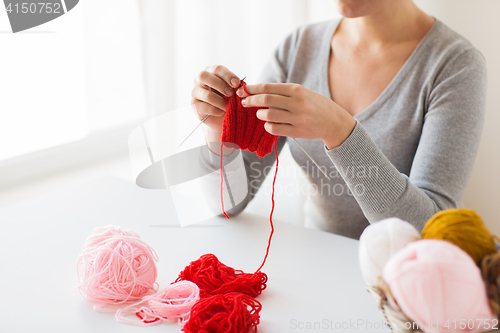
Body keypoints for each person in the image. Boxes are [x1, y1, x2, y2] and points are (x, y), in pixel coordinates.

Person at [190, 0, 487, 239]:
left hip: (402, 292)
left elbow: (428, 231)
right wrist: (218, 131)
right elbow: (225, 205)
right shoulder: (298, 49)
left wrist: (341, 132)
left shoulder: (456, 65)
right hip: (320, 272)